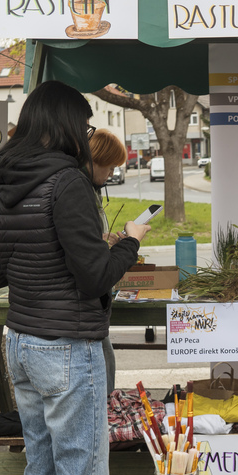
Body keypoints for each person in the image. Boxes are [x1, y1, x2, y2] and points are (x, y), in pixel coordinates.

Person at [0, 81, 148, 475]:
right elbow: (95, 278)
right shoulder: (68, 181)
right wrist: (129, 242)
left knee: (40, 470)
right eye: (85, 126)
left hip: (20, 341)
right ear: (66, 124)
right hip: (67, 346)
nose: (86, 136)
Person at [89, 128, 130, 396]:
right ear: (98, 159)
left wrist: (104, 240)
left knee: (106, 359)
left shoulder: (91, 190)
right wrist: (127, 244)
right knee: (103, 370)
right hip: (88, 309)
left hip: (94, 311)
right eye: (111, 167)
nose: (112, 174)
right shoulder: (79, 192)